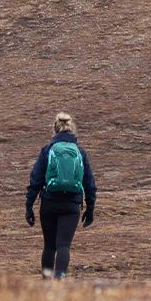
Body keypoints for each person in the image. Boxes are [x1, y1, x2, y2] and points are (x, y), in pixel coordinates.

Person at [25, 112, 97, 279]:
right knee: (63, 245)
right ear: (72, 128)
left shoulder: (47, 150)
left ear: (55, 128)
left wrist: (29, 207)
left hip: (49, 203)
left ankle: (46, 281)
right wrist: (90, 208)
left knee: (49, 246)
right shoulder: (79, 151)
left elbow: (35, 179)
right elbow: (89, 183)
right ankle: (59, 279)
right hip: (71, 205)